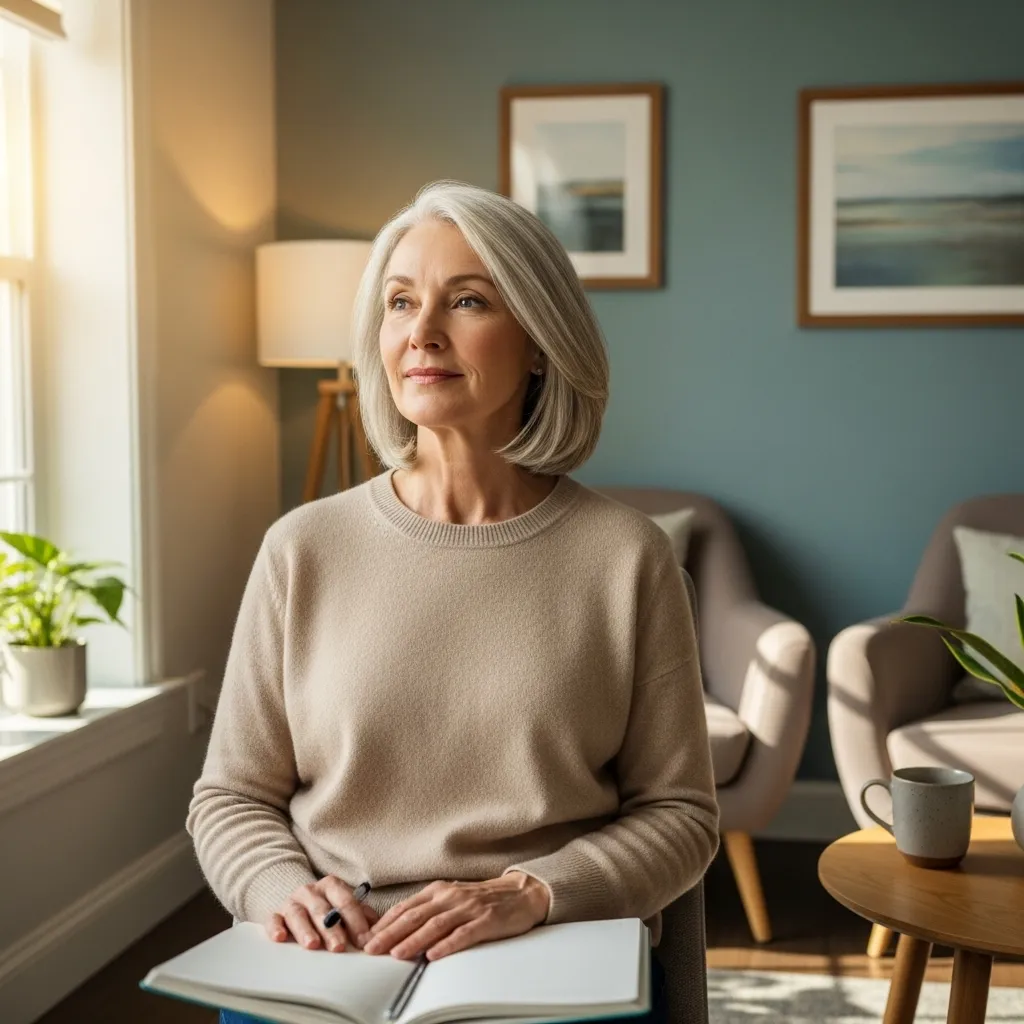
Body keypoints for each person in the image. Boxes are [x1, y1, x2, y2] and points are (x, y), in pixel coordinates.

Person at [186, 180, 719, 1024]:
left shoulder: (627, 558)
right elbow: (231, 797)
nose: (421, 333)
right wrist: (280, 890)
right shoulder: (302, 548)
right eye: (400, 303)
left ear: (541, 342)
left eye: (467, 300)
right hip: (333, 958)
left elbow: (681, 814)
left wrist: (532, 892)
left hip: (549, 950)